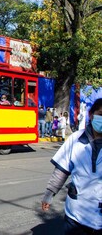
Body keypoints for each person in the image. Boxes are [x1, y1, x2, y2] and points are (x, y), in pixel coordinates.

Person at [41, 98, 102, 234]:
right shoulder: (76, 139)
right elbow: (61, 170)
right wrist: (49, 194)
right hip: (76, 214)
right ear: (91, 115)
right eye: (101, 114)